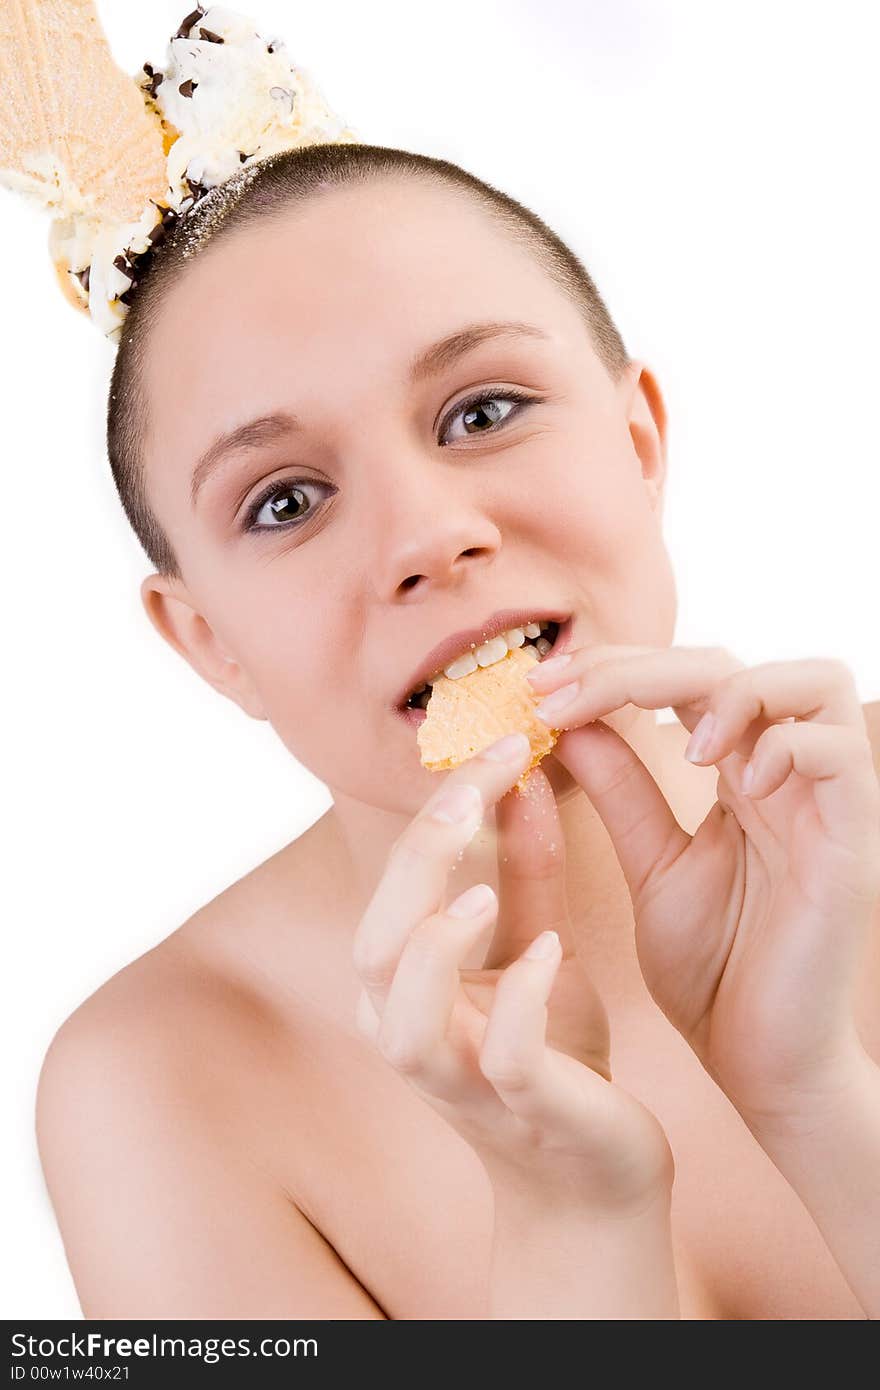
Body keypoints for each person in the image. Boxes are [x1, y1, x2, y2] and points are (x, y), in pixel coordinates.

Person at [31, 134, 880, 1320]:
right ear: (211, 641)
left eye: (482, 410)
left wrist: (811, 1096)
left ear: (637, 447)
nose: (429, 536)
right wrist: (571, 1215)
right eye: (285, 500)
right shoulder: (156, 1088)